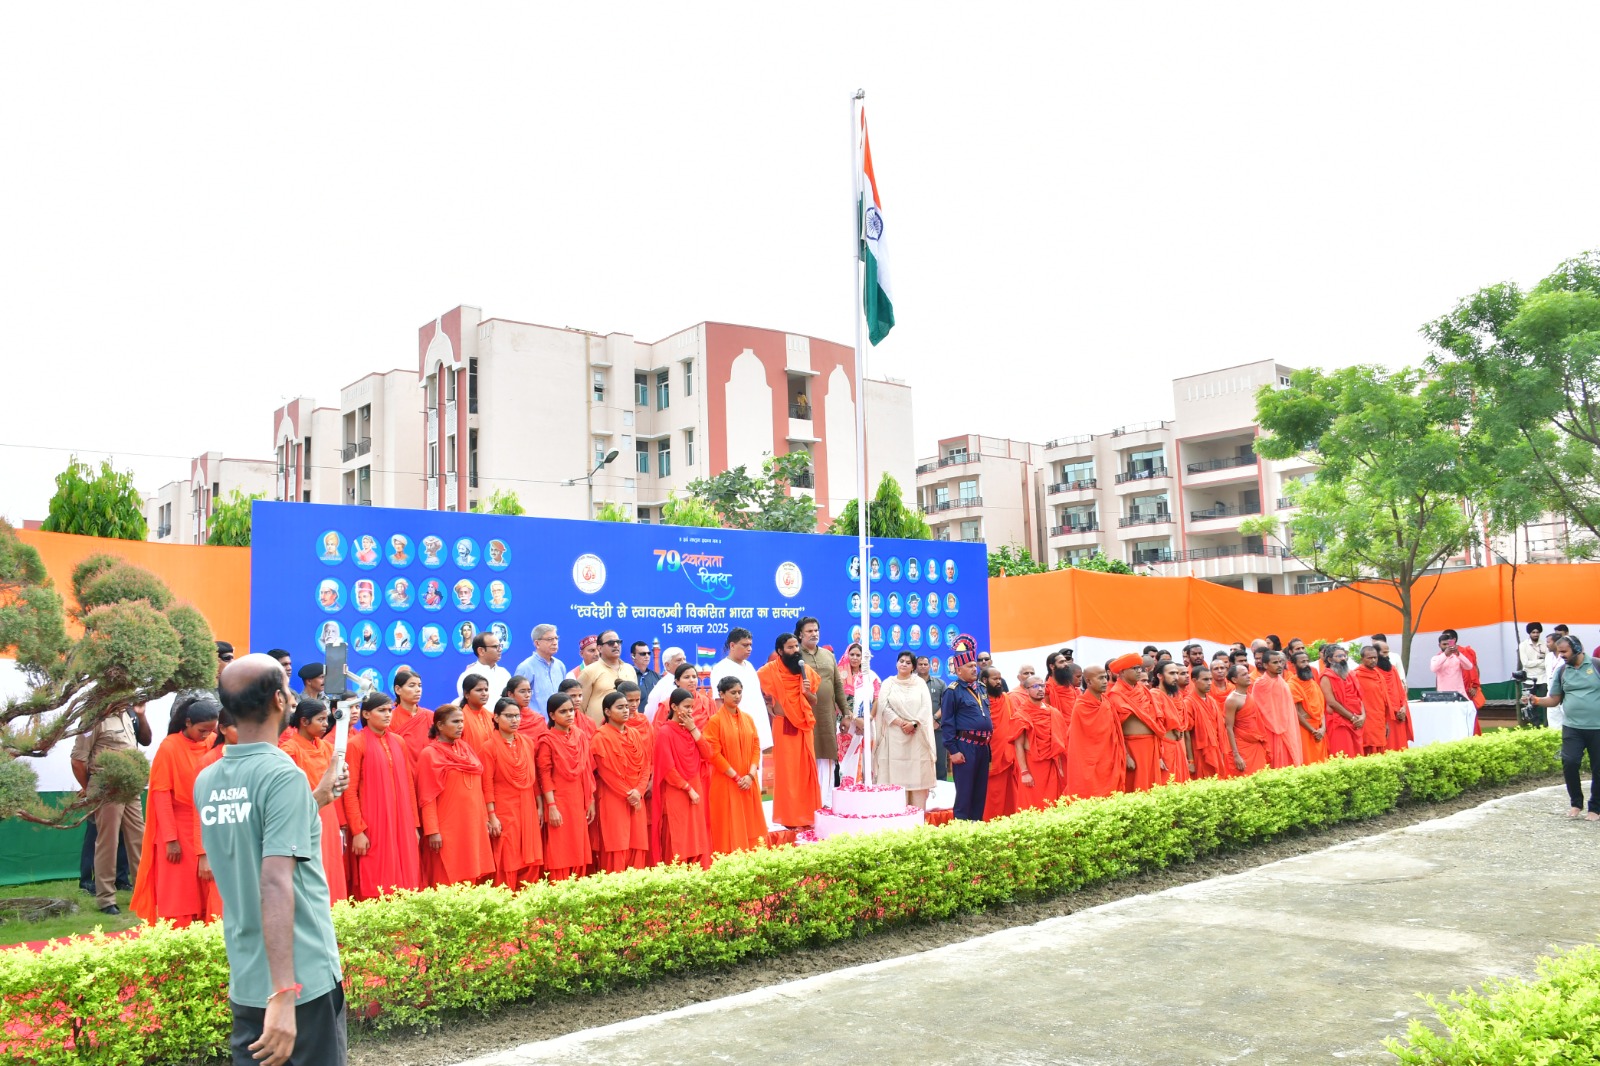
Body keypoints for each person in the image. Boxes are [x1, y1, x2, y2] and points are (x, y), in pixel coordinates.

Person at [200, 654, 347, 1066]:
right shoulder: (282, 774)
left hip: (247, 975)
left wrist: (315, 799)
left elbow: (254, 840)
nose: (292, 697)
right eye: (286, 688)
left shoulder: (208, 780)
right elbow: (275, 881)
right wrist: (284, 991)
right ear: (280, 701)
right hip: (300, 979)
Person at [131, 694, 220, 927]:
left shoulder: (213, 742)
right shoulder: (169, 747)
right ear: (187, 723)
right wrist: (170, 839)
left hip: (207, 824)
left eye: (211, 730)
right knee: (180, 890)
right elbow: (161, 795)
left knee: (209, 886)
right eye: (202, 730)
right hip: (178, 827)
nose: (207, 735)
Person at [71, 700, 153, 914]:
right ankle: (106, 898)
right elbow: (78, 761)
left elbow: (145, 740)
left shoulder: (127, 713)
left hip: (130, 785)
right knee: (108, 841)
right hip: (106, 784)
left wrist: (140, 714)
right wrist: (91, 789)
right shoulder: (94, 717)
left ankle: (144, 893)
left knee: (138, 838)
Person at [344, 691, 421, 900]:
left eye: (389, 710)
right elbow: (349, 791)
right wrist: (358, 831)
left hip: (402, 821)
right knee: (376, 877)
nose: (388, 714)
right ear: (366, 714)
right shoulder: (356, 744)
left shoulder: (399, 742)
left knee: (407, 878)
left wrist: (414, 825)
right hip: (373, 824)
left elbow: (408, 785)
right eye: (382, 710)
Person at [278, 698, 350, 904]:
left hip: (329, 816)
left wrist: (343, 778)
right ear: (304, 721)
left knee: (331, 866)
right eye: (320, 719)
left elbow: (338, 784)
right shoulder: (288, 751)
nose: (326, 723)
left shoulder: (328, 748)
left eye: (326, 719)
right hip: (304, 818)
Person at [415, 704, 494, 887]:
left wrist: (485, 819)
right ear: (440, 725)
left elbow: (477, 790)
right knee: (446, 878)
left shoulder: (466, 748)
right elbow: (427, 797)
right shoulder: (430, 754)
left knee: (471, 875)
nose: (461, 726)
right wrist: (432, 831)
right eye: (455, 721)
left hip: (472, 824)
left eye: (462, 721)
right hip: (447, 828)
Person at [1528, 635, 1600, 820]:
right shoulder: (1562, 671)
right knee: (1570, 762)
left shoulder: (1596, 665)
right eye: (1559, 652)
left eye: (1564, 652)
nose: (1561, 656)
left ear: (1577, 648)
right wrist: (1537, 701)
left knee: (1598, 767)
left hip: (1597, 727)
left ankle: (1595, 808)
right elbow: (1554, 699)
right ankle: (1576, 803)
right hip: (1572, 727)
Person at [758, 633, 822, 830]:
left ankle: (808, 816)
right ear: (780, 651)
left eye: (796, 647)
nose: (795, 651)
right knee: (787, 773)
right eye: (790, 647)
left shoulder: (806, 671)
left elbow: (814, 701)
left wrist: (808, 692)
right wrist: (768, 705)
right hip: (784, 726)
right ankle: (789, 818)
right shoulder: (767, 672)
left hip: (804, 727)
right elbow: (759, 694)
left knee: (806, 771)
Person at [702, 676, 767, 854]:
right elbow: (713, 754)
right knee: (729, 825)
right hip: (727, 782)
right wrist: (737, 777)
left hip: (748, 781)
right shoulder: (715, 721)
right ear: (721, 694)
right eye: (733, 692)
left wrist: (750, 775)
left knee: (752, 822)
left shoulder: (748, 719)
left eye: (739, 692)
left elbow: (756, 747)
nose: (737, 696)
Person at [482, 698, 542, 887]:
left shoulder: (527, 743)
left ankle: (528, 902)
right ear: (496, 718)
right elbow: (487, 784)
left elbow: (533, 778)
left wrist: (540, 806)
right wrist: (492, 816)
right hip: (504, 809)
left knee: (530, 857)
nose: (514, 720)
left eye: (517, 716)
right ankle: (507, 901)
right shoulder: (488, 747)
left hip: (528, 807)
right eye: (509, 716)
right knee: (507, 856)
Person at [590, 690, 653, 871]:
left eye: (626, 706)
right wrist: (630, 794)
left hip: (636, 797)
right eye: (620, 707)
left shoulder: (634, 734)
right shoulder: (600, 737)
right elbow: (606, 773)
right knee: (616, 844)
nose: (626, 710)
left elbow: (645, 766)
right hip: (614, 798)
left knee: (637, 844)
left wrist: (639, 791)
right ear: (607, 712)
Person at [536, 693, 596, 881]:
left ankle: (577, 890)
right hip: (559, 801)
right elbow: (544, 776)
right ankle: (559, 890)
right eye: (563, 711)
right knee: (560, 848)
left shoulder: (579, 735)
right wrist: (552, 807)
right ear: (552, 715)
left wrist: (590, 800)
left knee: (578, 847)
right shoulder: (547, 740)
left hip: (578, 799)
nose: (569, 714)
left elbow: (586, 770)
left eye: (571, 710)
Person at [652, 687, 714, 868]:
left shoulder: (689, 730)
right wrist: (688, 789)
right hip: (677, 792)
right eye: (686, 707)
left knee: (696, 838)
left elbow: (708, 754)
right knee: (678, 839)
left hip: (695, 788)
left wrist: (693, 729)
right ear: (673, 707)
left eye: (692, 707)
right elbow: (667, 769)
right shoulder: (665, 732)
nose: (690, 711)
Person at [873, 651, 937, 810]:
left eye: (908, 663)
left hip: (916, 737)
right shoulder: (888, 683)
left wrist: (914, 724)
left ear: (913, 667)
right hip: (894, 736)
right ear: (896, 663)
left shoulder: (920, 684)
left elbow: (926, 707)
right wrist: (902, 723)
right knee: (894, 781)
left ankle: (917, 816)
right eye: (901, 661)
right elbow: (883, 707)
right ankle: (895, 817)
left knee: (917, 777)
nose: (904, 664)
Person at [940, 635, 992, 821]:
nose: (974, 669)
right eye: (969, 666)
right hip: (965, 747)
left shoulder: (982, 688)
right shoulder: (953, 691)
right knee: (965, 794)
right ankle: (961, 830)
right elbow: (947, 723)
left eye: (974, 666)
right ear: (958, 670)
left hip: (983, 747)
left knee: (980, 793)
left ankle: (976, 828)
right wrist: (953, 751)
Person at [796, 618, 847, 805]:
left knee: (827, 756)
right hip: (803, 717)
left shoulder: (828, 655)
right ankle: (807, 802)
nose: (814, 634)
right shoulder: (794, 656)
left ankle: (825, 801)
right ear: (800, 634)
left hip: (827, 716)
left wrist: (846, 713)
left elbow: (838, 686)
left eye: (816, 630)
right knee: (807, 756)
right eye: (809, 631)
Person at [1063, 664, 1123, 799]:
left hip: (1109, 758)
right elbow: (1078, 739)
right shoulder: (1081, 706)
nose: (1105, 681)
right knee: (1090, 793)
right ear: (1088, 681)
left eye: (1105, 677)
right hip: (1090, 760)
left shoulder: (1106, 701)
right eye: (1100, 678)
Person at [1107, 653, 1164, 792]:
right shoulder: (1115, 694)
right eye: (1134, 668)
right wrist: (1126, 755)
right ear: (1122, 672)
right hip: (1132, 747)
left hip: (1151, 745)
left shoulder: (1143, 690)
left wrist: (1159, 755)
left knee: (1152, 789)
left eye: (1140, 668)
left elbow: (1154, 720)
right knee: (1135, 788)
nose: (1139, 671)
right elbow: (1115, 730)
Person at [709, 628, 769, 755]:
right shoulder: (721, 668)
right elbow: (719, 702)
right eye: (745, 645)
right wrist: (728, 728)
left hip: (756, 726)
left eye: (750, 645)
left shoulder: (750, 666)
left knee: (756, 764)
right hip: (736, 728)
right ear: (732, 645)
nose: (749, 649)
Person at [982, 666, 1031, 819]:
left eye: (999, 678)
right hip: (988, 753)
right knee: (990, 792)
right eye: (995, 679)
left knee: (1009, 791)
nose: (999, 682)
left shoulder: (1006, 698)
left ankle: (1009, 819)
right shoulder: (978, 700)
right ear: (984, 680)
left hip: (1007, 753)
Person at [1013, 673, 1064, 809]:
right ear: (1026, 690)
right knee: (1031, 804)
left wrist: (1060, 767)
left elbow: (1058, 743)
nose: (1040, 689)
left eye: (1042, 685)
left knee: (1052, 803)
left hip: (1051, 764)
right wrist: (1024, 772)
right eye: (1035, 686)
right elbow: (1018, 745)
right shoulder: (1021, 714)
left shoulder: (1053, 712)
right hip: (1032, 766)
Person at [838, 641, 881, 779]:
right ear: (847, 655)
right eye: (852, 654)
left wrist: (867, 720)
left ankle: (865, 786)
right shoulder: (840, 676)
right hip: (846, 724)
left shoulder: (871, 676)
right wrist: (856, 720)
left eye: (858, 655)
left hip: (867, 725)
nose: (855, 658)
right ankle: (847, 787)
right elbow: (837, 699)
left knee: (867, 760)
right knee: (846, 764)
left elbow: (877, 699)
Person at [1253, 652, 1303, 769]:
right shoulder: (1260, 684)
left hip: (1288, 727)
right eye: (1275, 662)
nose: (1279, 665)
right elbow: (1259, 709)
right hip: (1269, 729)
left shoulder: (1282, 681)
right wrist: (1276, 724)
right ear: (1265, 665)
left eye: (1280, 662)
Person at [578, 630, 638, 726]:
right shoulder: (589, 671)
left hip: (628, 730)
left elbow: (635, 701)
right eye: (611, 643)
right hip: (597, 731)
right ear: (599, 648)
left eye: (618, 642)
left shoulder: (629, 669)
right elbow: (579, 708)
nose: (616, 645)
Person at [1223, 664, 1271, 775]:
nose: (1248, 676)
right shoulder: (1232, 700)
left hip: (1256, 743)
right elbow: (1229, 728)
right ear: (1235, 679)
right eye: (1244, 674)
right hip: (1242, 747)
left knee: (1261, 778)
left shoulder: (1249, 695)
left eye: (1247, 673)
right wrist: (1236, 755)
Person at [1319, 644, 1365, 759]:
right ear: (1330, 660)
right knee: (1343, 755)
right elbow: (1331, 702)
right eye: (1339, 656)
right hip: (1339, 722)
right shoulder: (1326, 676)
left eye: (1344, 656)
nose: (1343, 658)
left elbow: (1359, 697)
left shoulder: (1351, 675)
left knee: (1357, 756)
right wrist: (1352, 717)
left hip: (1356, 722)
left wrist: (1363, 716)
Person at [512, 624, 568, 714]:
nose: (555, 642)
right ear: (537, 643)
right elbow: (516, 699)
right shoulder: (526, 667)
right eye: (550, 639)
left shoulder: (560, 666)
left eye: (556, 638)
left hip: (557, 721)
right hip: (534, 721)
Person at [1288, 650, 1329, 764]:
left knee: (1322, 763)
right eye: (1302, 662)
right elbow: (1295, 712)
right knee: (1307, 762)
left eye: (1307, 661)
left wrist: (1323, 728)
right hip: (1305, 730)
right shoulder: (1292, 685)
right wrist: (1313, 731)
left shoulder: (1313, 683)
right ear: (1294, 665)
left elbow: (1321, 707)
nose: (1306, 664)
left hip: (1319, 729)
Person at [1351, 645, 1393, 755]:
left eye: (1375, 657)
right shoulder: (1356, 675)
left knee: (1380, 749)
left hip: (1379, 718)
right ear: (1362, 659)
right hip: (1366, 719)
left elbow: (1383, 700)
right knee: (1368, 748)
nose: (1373, 660)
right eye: (1369, 658)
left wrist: (1385, 722)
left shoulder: (1378, 674)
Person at [1374, 638, 1413, 751]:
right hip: (1385, 715)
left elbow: (1402, 692)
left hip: (1399, 715)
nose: (1387, 655)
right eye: (1384, 652)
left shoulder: (1393, 670)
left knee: (1400, 746)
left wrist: (1403, 708)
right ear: (1376, 654)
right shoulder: (1373, 672)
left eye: (1388, 652)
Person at [1186, 665, 1225, 778]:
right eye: (1205, 679)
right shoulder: (1188, 702)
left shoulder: (1212, 701)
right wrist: (1191, 760)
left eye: (1210, 679)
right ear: (1194, 681)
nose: (1209, 683)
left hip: (1216, 749)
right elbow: (1186, 734)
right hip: (1199, 752)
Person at [917, 655, 950, 779]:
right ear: (916, 666)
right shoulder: (911, 684)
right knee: (918, 763)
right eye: (920, 664)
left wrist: (935, 718)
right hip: (916, 729)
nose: (923, 666)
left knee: (940, 762)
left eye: (925, 664)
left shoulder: (940, 684)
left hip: (936, 728)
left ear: (930, 666)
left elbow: (946, 704)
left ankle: (941, 788)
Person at [457, 632, 511, 704]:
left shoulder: (504, 673)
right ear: (481, 651)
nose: (500, 649)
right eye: (495, 646)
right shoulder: (468, 675)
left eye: (500, 646)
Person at [391, 669, 432, 757]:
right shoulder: (389, 719)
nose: (418, 690)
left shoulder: (430, 716)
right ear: (398, 689)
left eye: (420, 686)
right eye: (412, 686)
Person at [645, 647, 689, 721]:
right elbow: (652, 713)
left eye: (684, 659)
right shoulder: (664, 686)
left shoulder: (687, 682)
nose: (683, 663)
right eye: (678, 660)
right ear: (667, 665)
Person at [458, 674, 497, 756]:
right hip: (469, 762)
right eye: (479, 690)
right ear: (466, 694)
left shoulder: (491, 716)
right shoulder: (460, 718)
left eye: (486, 690)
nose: (484, 693)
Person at [1520, 622, 1550, 727]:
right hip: (1528, 679)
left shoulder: (1545, 645)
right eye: (1533, 632)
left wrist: (1534, 663)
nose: (1536, 634)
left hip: (1543, 678)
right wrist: (1540, 662)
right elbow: (1525, 663)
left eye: (1537, 632)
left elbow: (1547, 662)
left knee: (1546, 702)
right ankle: (1535, 725)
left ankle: (1546, 724)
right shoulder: (1523, 645)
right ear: (1529, 633)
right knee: (1530, 703)